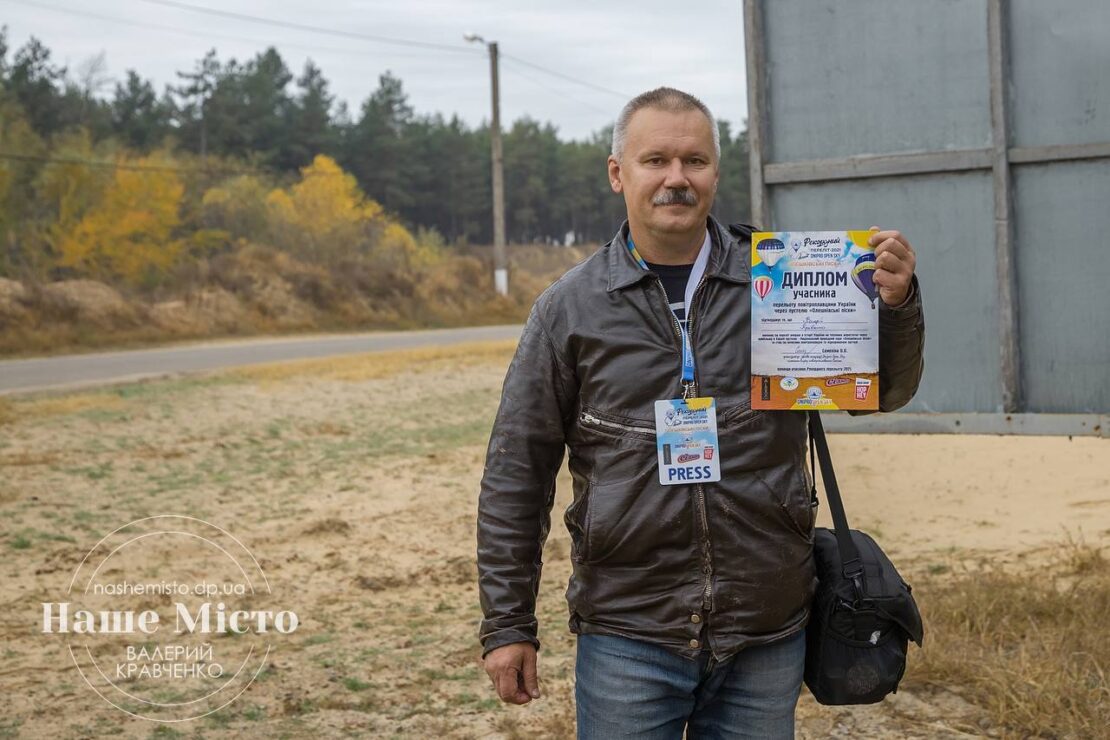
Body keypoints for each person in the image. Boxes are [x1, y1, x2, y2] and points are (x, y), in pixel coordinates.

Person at [476, 86, 924, 738]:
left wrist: (896, 305)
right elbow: (517, 472)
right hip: (629, 632)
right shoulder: (569, 311)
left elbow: (884, 392)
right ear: (617, 173)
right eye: (655, 160)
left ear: (717, 171)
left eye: (695, 161)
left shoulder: (787, 281)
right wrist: (508, 624)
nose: (676, 179)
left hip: (765, 633)